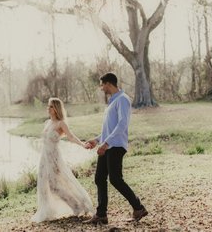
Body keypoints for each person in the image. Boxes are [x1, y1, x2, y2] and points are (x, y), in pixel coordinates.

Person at [84, 72, 148, 224]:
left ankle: (139, 208)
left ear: (108, 84)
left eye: (102, 85)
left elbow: (122, 125)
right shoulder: (112, 102)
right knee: (100, 178)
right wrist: (97, 139)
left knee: (115, 179)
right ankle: (101, 215)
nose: (101, 88)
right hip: (107, 145)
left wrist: (106, 144)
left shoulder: (123, 100)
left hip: (116, 146)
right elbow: (109, 128)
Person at [31, 97, 94, 223]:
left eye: (50, 106)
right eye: (48, 106)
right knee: (44, 185)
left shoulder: (61, 123)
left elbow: (70, 137)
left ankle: (77, 204)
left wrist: (82, 144)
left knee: (55, 185)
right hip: (44, 158)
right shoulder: (47, 123)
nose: (48, 108)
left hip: (54, 158)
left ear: (56, 109)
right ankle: (47, 211)